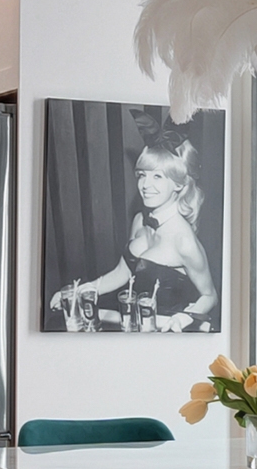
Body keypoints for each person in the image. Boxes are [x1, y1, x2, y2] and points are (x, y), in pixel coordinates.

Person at [52, 133, 216, 331]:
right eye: (142, 175)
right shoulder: (140, 219)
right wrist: (80, 291)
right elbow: (122, 273)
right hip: (134, 325)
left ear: (178, 184)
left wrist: (184, 318)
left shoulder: (184, 241)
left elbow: (210, 295)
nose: (145, 185)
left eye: (157, 176)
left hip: (167, 332)